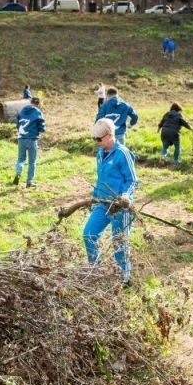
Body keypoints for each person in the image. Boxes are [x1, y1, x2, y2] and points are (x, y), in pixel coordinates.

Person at [83, 118, 138, 285]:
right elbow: (101, 179)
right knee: (89, 234)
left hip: (120, 207)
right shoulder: (101, 154)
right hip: (103, 203)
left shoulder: (123, 154)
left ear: (109, 135)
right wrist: (95, 197)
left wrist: (125, 197)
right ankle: (95, 270)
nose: (97, 142)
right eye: (95, 139)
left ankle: (125, 278)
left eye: (99, 139)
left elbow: (133, 181)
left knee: (119, 243)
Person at [13, 97, 46, 188]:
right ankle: (29, 182)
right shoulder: (37, 112)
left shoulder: (22, 110)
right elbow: (42, 126)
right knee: (32, 162)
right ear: (38, 104)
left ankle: (18, 176)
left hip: (21, 139)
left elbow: (17, 124)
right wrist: (41, 130)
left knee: (20, 159)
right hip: (31, 139)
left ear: (30, 102)